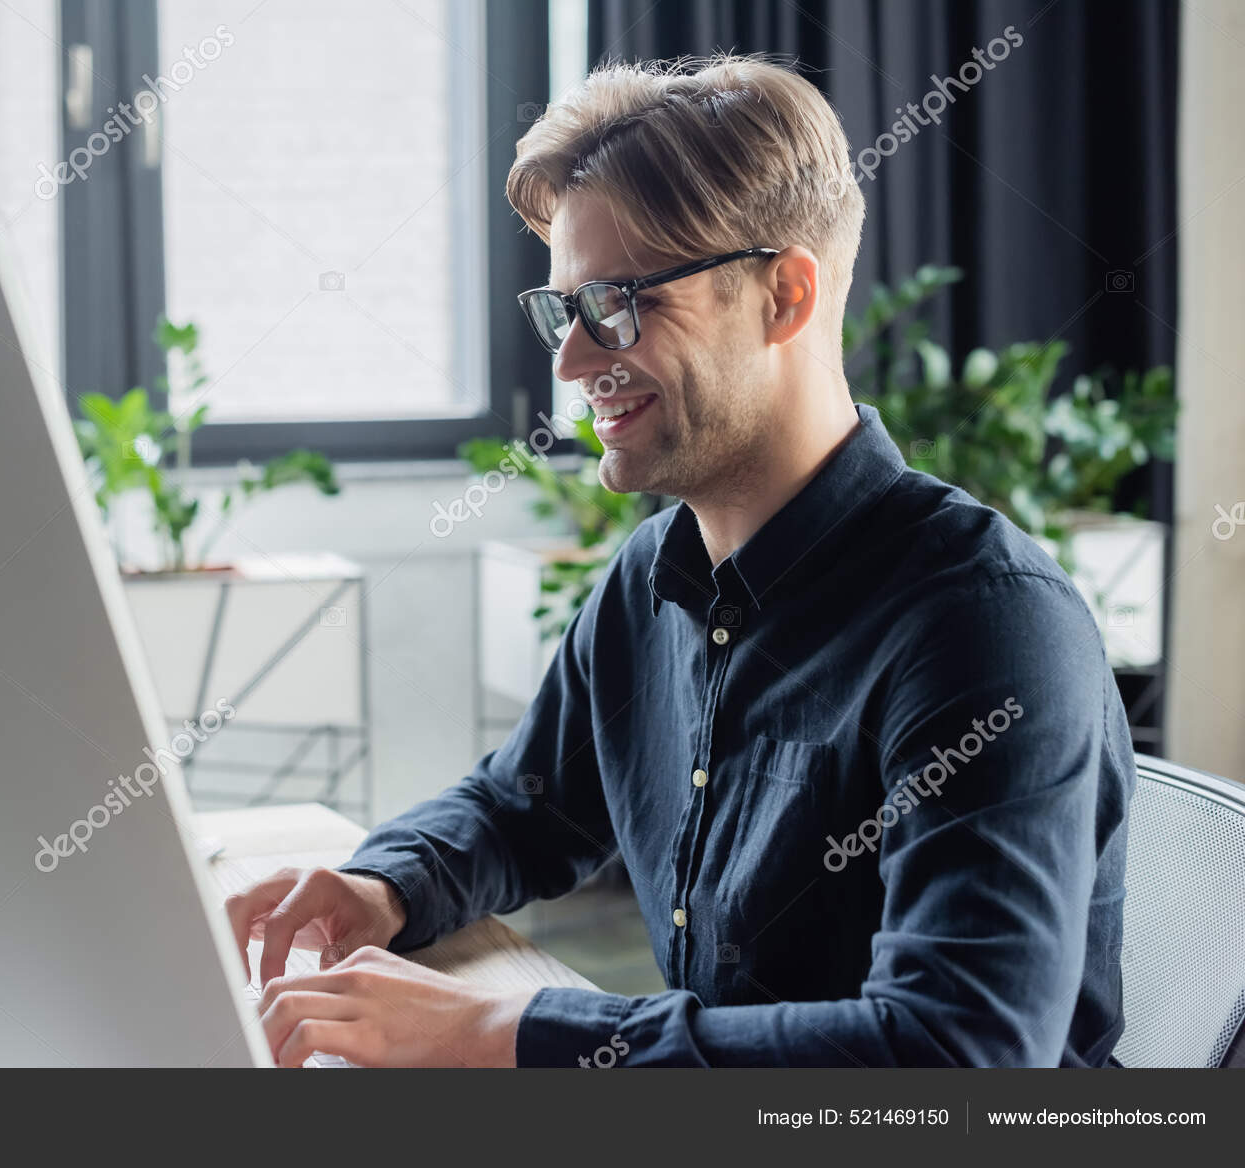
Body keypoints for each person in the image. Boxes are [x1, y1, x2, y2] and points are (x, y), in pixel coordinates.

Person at [228, 54, 1136, 1068]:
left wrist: (508, 1029)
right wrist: (383, 885)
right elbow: (522, 805)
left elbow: (958, 1049)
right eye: (563, 308)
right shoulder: (654, 576)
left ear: (784, 295)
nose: (571, 360)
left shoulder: (981, 625)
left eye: (617, 301)